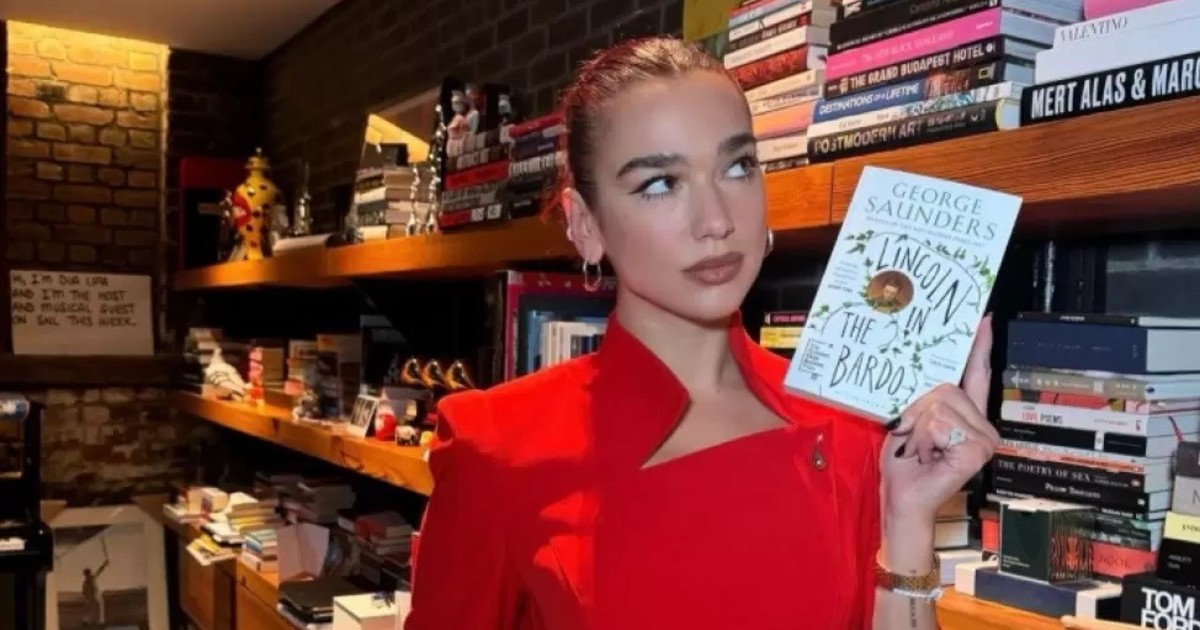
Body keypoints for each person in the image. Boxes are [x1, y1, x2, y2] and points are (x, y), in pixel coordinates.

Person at [404, 36, 999, 630]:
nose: (715, 221)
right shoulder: (496, 447)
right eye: (659, 183)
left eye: (737, 167)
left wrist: (908, 523)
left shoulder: (848, 420)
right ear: (585, 224)